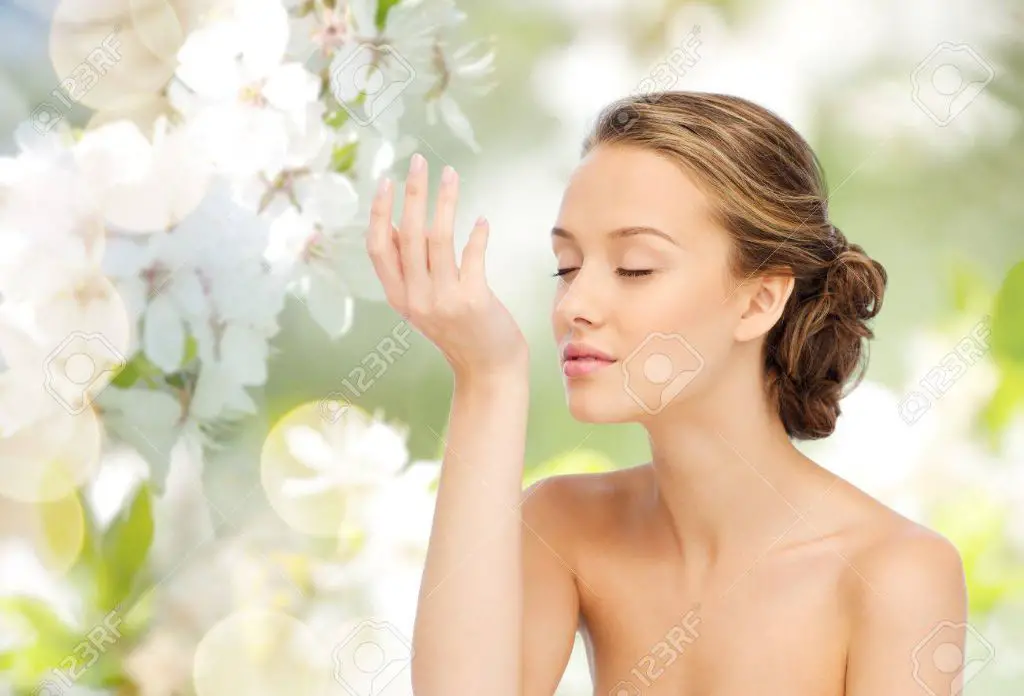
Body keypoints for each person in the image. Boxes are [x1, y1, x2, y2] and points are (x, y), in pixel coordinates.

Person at [365, 91, 968, 696]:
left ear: (759, 300)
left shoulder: (894, 573)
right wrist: (488, 377)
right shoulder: (565, 525)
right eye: (566, 266)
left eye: (635, 267)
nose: (574, 305)